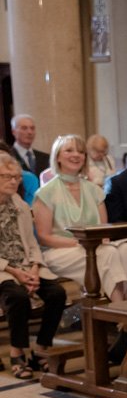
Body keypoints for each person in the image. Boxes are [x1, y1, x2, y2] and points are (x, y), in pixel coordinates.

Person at [32, 134, 127, 303]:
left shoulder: (94, 190)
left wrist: (94, 243)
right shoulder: (46, 193)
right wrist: (82, 243)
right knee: (108, 254)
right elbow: (44, 237)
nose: (76, 155)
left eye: (81, 152)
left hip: (94, 247)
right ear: (58, 156)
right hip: (59, 252)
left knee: (126, 250)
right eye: (69, 150)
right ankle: (124, 314)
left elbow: (103, 229)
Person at [0, 153, 67, 379]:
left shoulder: (19, 204)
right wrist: (14, 271)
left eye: (16, 177)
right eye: (7, 177)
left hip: (26, 266)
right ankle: (17, 352)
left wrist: (35, 268)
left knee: (57, 293)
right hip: (3, 270)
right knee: (17, 296)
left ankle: (41, 349)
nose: (13, 181)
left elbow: (32, 242)